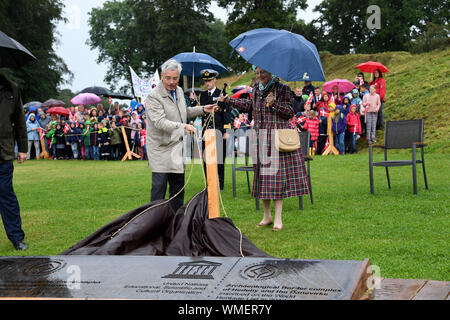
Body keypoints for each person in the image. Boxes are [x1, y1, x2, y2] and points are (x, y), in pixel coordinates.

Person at [220, 67, 310, 231]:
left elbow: (290, 112)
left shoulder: (282, 88)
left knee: (276, 179)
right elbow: (249, 105)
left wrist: (274, 103)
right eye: (257, 73)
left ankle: (278, 218)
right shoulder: (256, 89)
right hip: (259, 137)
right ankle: (267, 216)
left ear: (271, 72)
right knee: (262, 179)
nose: (260, 76)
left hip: (275, 137)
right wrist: (229, 100)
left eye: (263, 72)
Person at [145, 59, 217, 213]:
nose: (172, 82)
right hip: (160, 149)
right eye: (168, 78)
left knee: (178, 190)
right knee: (159, 191)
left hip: (177, 148)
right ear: (162, 76)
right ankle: (153, 226)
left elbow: (184, 112)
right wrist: (184, 126)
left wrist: (204, 109)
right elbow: (160, 122)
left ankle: (176, 223)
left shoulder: (178, 91)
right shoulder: (153, 97)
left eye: (175, 78)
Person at [0, 74, 28, 250]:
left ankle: (17, 238)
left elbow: (19, 120)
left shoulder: (12, 88)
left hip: (3, 151)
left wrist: (23, 148)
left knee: (6, 194)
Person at [191, 69, 231, 191]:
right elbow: (198, 111)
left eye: (209, 80)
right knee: (206, 159)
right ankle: (209, 183)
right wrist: (193, 101)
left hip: (218, 130)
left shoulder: (221, 93)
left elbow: (226, 113)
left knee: (219, 159)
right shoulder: (202, 95)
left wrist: (226, 131)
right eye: (205, 81)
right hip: (206, 131)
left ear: (214, 80)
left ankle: (220, 184)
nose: (207, 83)